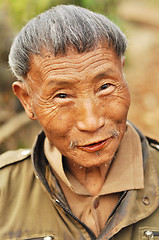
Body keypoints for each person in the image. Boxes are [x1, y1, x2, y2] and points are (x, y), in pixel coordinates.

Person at [0, 5, 159, 240]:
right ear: (27, 100)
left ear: (122, 73)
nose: (91, 122)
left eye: (105, 87)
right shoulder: (4, 188)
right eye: (62, 96)